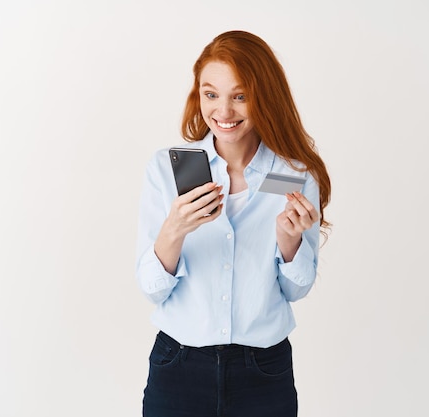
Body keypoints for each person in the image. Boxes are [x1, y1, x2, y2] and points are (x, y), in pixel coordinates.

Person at [135, 30, 331, 417]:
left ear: (265, 97)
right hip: (179, 366)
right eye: (211, 94)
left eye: (240, 96)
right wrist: (174, 230)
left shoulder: (290, 176)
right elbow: (152, 290)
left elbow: (297, 290)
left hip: (263, 371)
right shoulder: (168, 170)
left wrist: (290, 243)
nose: (223, 112)